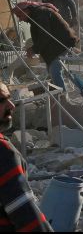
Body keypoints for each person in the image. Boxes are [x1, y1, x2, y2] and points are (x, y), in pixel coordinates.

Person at [0, 82, 53, 231]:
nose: (12, 106)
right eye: (1, 101)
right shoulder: (2, 152)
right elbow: (24, 214)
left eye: (9, 99)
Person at [13, 2, 77, 89]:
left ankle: (62, 97)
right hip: (56, 45)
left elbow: (45, 35)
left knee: (55, 71)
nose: (20, 19)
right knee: (55, 71)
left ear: (26, 11)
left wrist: (33, 49)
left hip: (61, 44)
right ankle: (61, 95)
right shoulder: (36, 16)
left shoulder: (40, 14)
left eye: (19, 15)